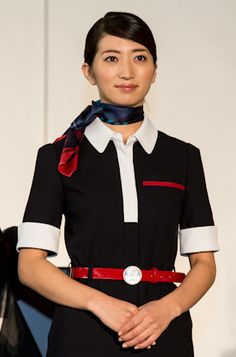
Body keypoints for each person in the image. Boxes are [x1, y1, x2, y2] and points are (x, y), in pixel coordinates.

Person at [17, 11, 219, 356]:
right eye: (111, 58)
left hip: (163, 332)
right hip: (82, 331)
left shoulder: (183, 157)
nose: (127, 72)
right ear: (89, 71)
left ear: (154, 69)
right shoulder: (57, 156)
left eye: (140, 58)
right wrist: (99, 304)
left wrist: (166, 310)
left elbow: (204, 264)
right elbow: (30, 266)